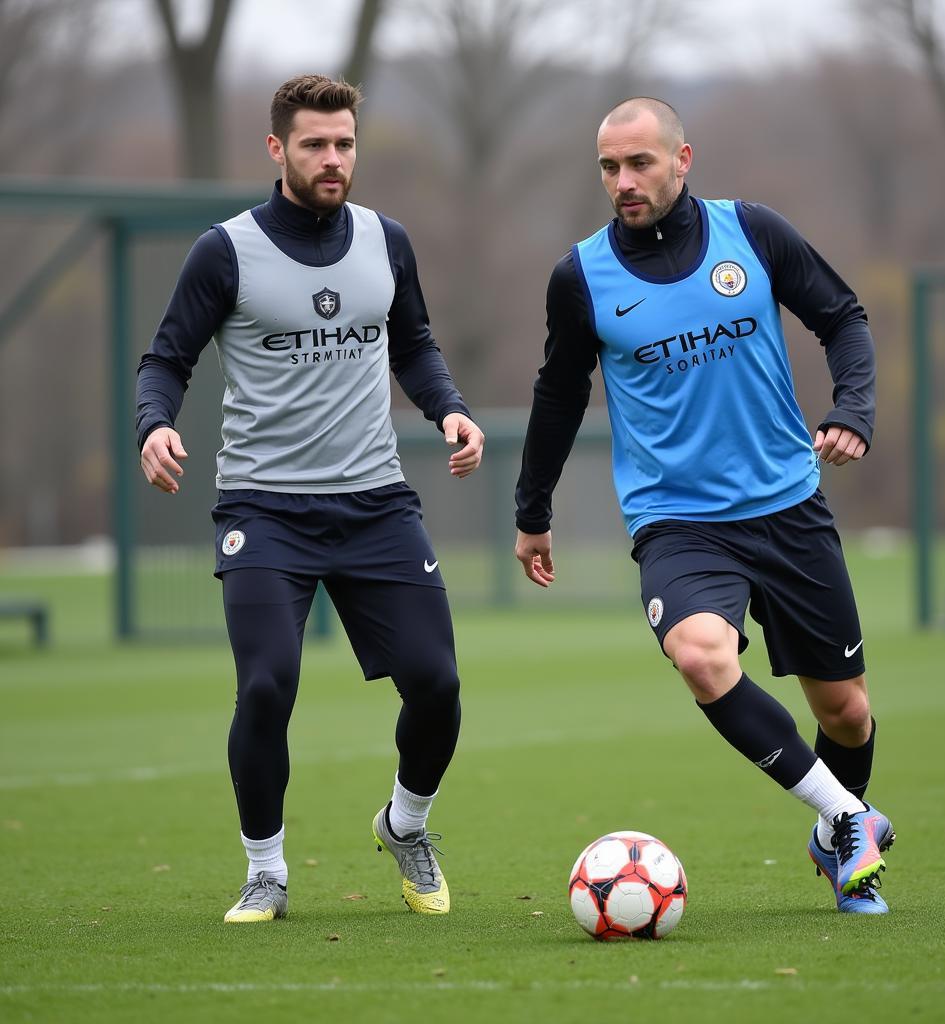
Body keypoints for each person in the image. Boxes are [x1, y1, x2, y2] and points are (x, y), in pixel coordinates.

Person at [515, 97, 894, 914]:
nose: (623, 181)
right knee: (701, 656)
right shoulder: (581, 276)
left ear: (683, 159)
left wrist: (853, 410)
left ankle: (838, 838)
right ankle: (850, 818)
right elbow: (556, 398)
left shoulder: (752, 233)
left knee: (849, 714)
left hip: (788, 505)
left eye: (640, 163)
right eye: (609, 168)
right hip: (677, 522)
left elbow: (844, 319)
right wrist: (532, 510)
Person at [136, 74, 484, 923]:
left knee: (437, 685)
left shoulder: (385, 239)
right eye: (315, 144)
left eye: (345, 144)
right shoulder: (225, 251)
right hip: (263, 510)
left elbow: (416, 344)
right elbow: (166, 358)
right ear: (277, 149)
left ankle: (406, 827)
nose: (333, 159)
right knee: (266, 686)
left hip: (376, 504)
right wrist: (155, 425)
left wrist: (452, 409)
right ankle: (267, 870)